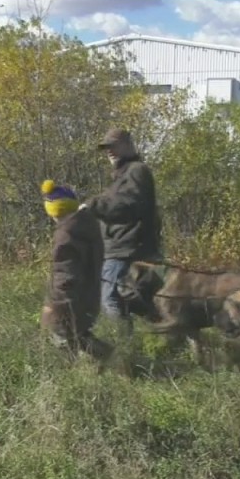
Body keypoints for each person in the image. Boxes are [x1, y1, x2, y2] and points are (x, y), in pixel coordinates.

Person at [81, 128, 163, 334]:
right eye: (106, 148)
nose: (109, 151)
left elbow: (126, 204)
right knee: (138, 298)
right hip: (128, 247)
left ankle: (125, 345)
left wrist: (92, 205)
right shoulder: (124, 174)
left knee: (112, 297)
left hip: (127, 248)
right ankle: (169, 332)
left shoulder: (136, 171)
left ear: (128, 145)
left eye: (114, 146)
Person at [39, 179, 113, 364]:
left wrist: (54, 305)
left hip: (71, 302)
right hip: (89, 295)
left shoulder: (66, 236)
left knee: (62, 336)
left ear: (54, 211)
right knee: (79, 335)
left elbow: (64, 276)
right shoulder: (85, 225)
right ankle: (108, 361)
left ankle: (103, 360)